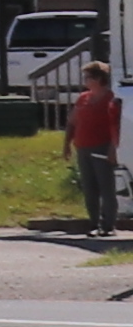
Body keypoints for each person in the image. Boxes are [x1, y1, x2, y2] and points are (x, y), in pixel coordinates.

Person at [68, 62, 121, 237]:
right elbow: (73, 122)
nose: (85, 80)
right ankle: (93, 223)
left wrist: (113, 148)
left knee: (106, 187)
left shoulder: (111, 98)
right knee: (89, 188)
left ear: (98, 78)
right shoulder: (83, 98)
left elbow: (116, 125)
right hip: (82, 147)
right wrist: (66, 144)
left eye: (88, 77)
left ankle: (108, 225)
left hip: (102, 146)